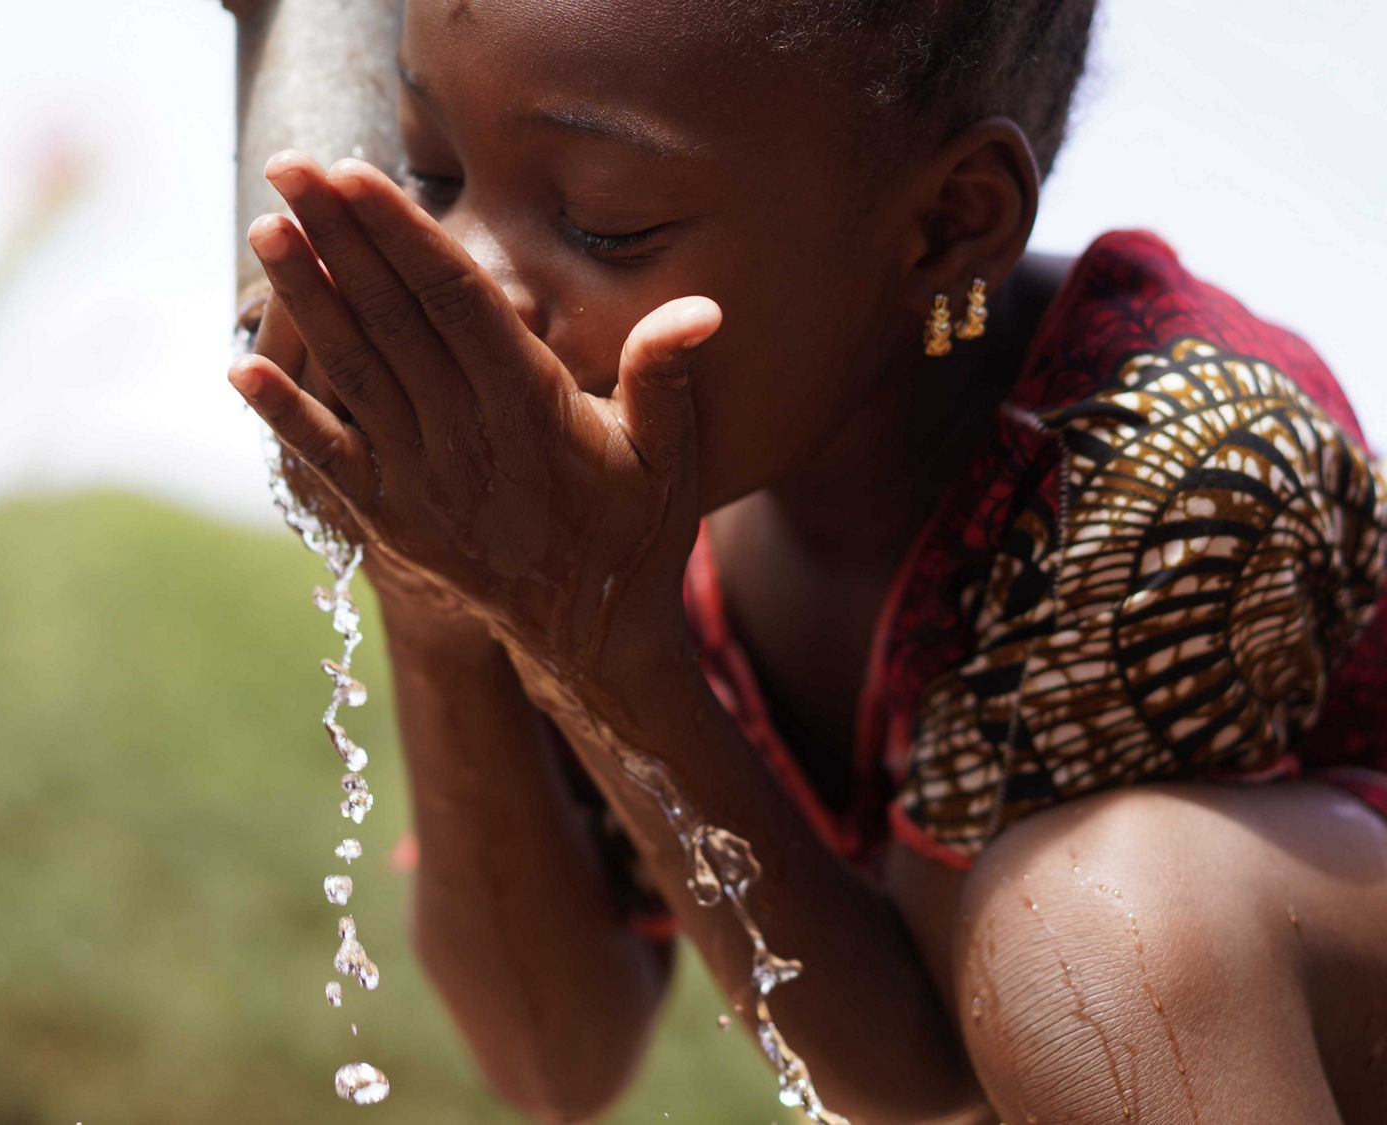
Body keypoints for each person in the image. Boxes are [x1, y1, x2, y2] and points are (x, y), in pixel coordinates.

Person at [224, 1, 1387, 1121]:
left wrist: (589, 640)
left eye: (604, 223)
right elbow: (554, 1057)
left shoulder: (1173, 468)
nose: (471, 273)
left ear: (944, 227)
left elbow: (937, 1075)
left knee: (1104, 925)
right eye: (433, 171)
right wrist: (434, 601)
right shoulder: (627, 497)